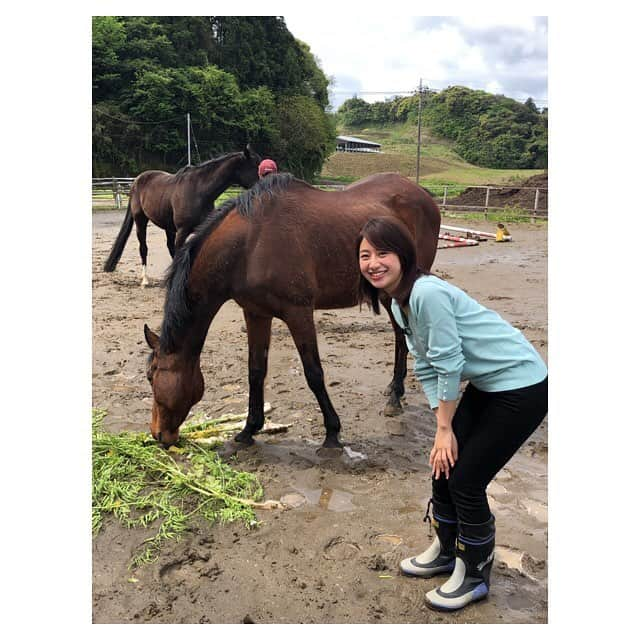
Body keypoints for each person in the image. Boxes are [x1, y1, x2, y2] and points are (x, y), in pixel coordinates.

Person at [356, 217, 548, 612]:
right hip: (489, 384)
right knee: (444, 468)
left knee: (466, 480)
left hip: (522, 386)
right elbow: (425, 366)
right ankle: (446, 550)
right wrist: (441, 428)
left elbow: (449, 364)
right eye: (365, 255)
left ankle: (474, 574)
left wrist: (445, 428)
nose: (373, 262)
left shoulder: (426, 293)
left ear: (404, 256)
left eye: (382, 253)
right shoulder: (398, 302)